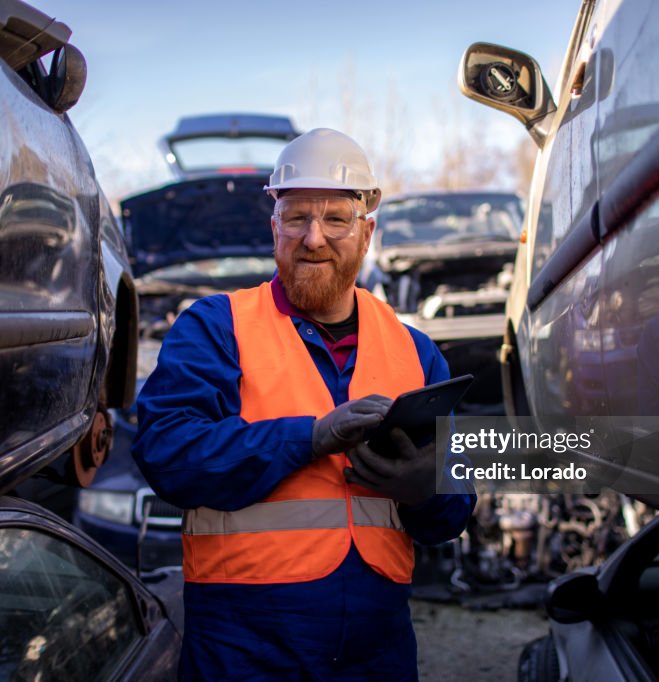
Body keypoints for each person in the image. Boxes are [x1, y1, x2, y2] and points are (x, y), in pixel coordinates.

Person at [132, 128, 476, 681]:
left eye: (336, 219)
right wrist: (310, 437)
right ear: (275, 228)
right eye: (296, 217)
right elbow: (166, 452)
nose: (314, 238)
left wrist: (428, 490)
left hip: (376, 651)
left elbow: (456, 507)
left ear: (366, 232)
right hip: (243, 648)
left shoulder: (415, 350)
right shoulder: (217, 327)